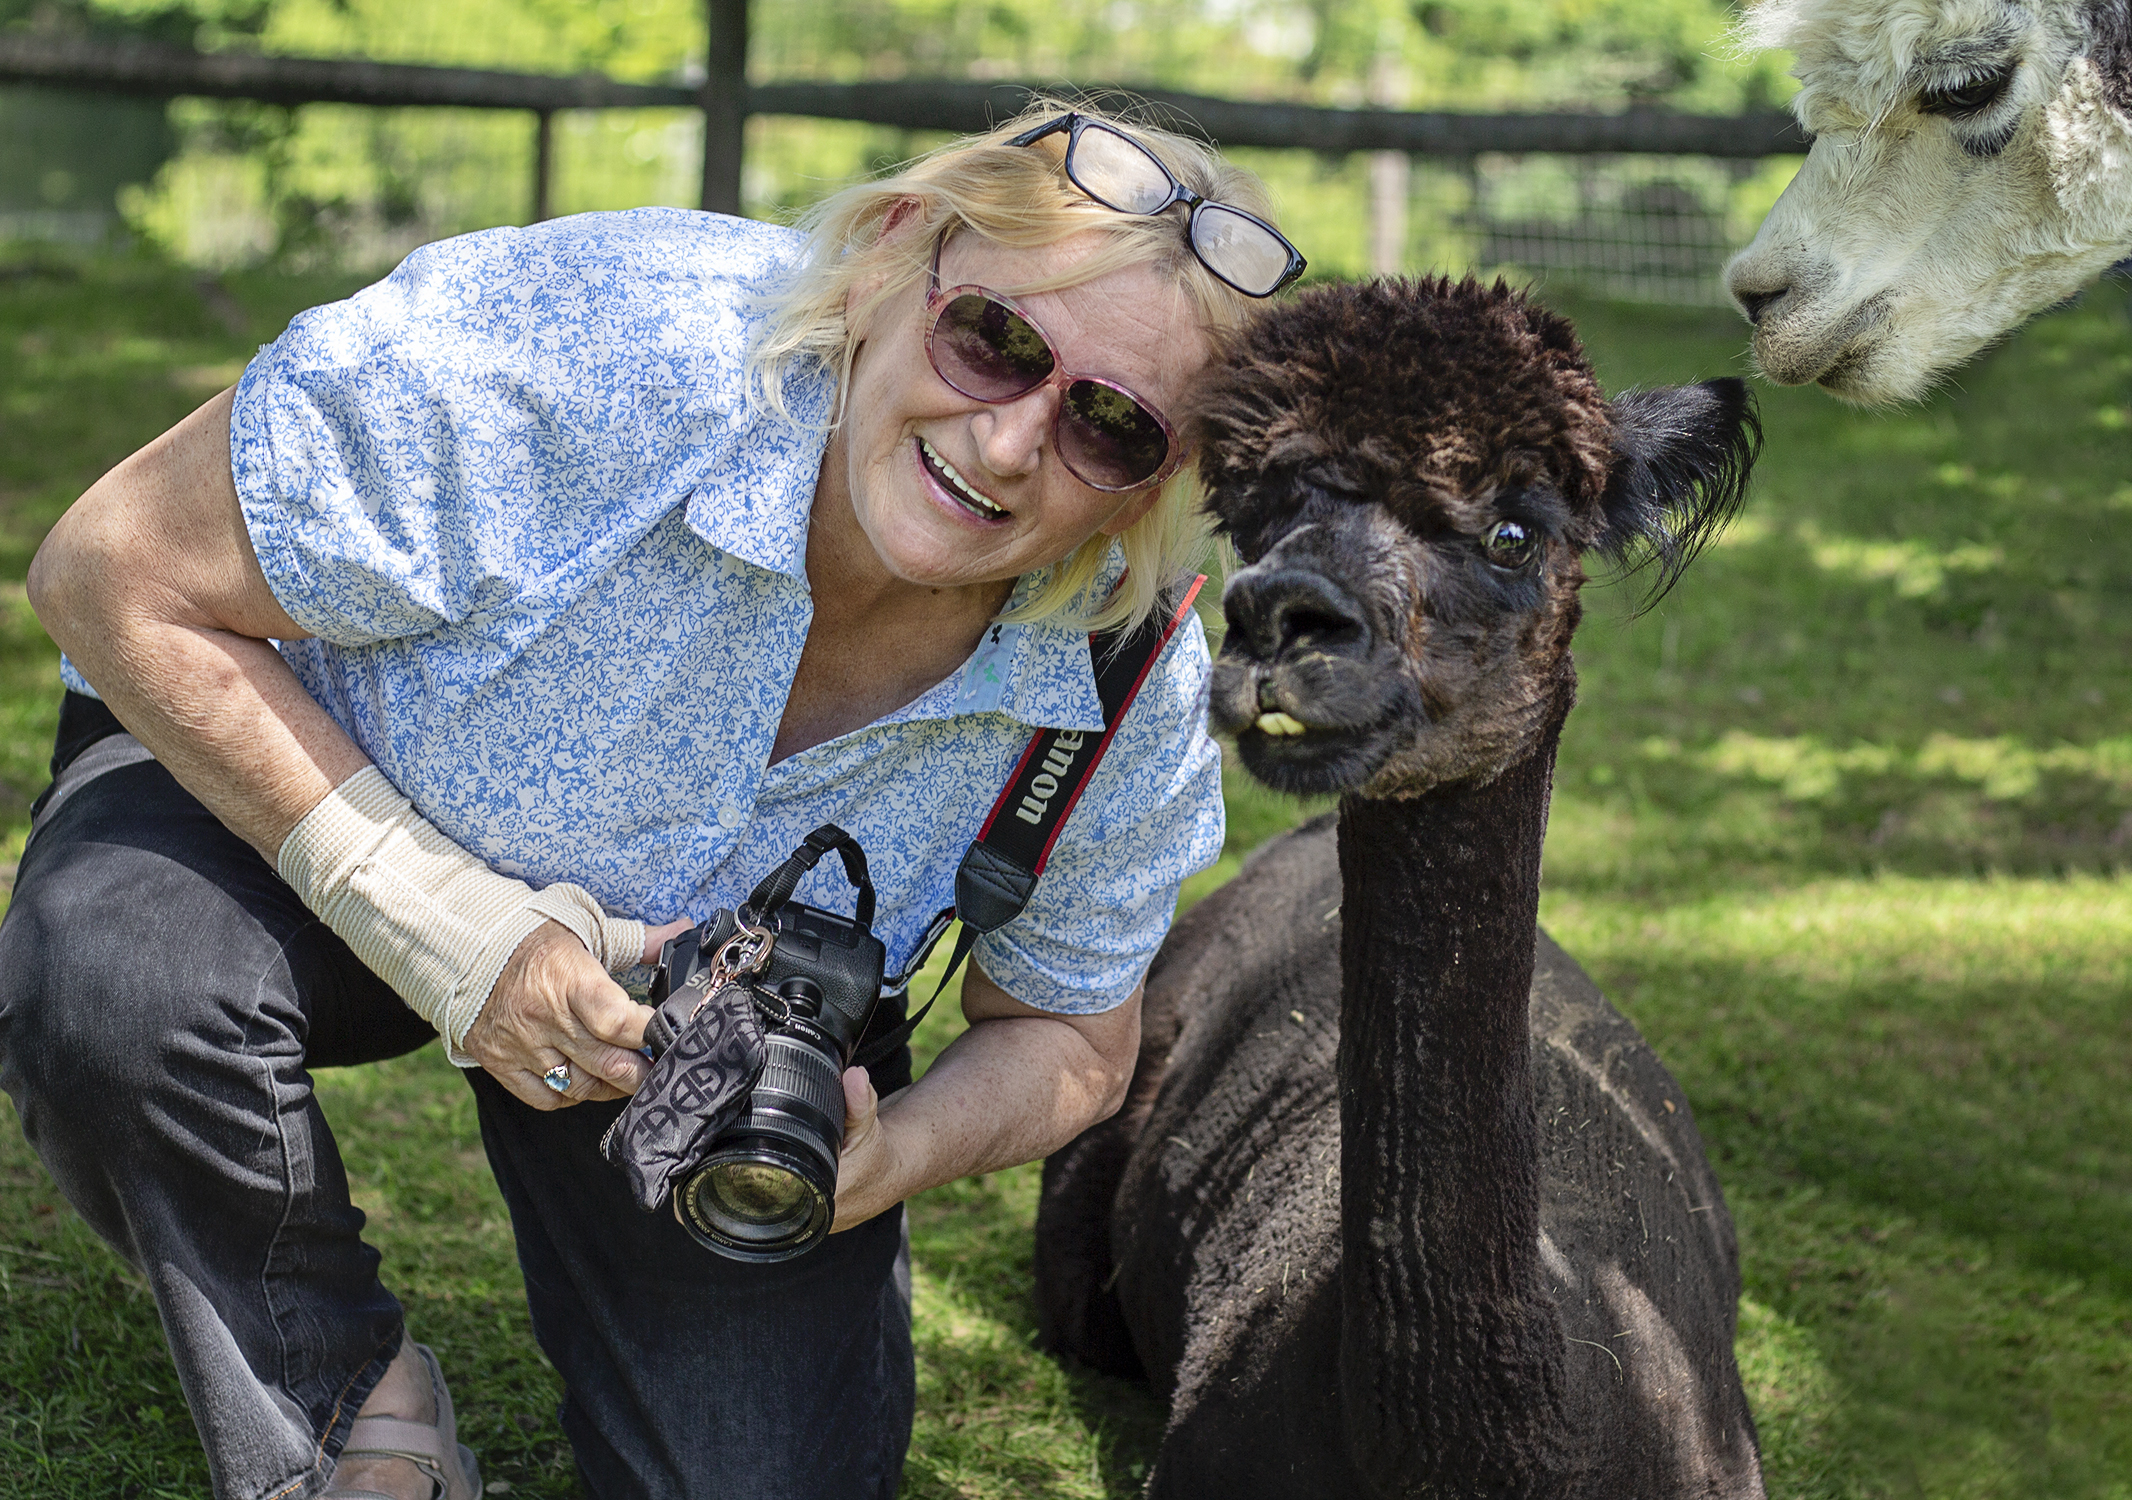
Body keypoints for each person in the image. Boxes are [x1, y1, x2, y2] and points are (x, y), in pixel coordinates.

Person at [0, 102, 1301, 1500]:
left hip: (699, 1027)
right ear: (889, 256)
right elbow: (107, 569)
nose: (1004, 445)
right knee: (119, 979)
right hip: (297, 782)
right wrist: (460, 934)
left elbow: (1074, 1036)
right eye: (992, 341)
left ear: (1156, 486)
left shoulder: (1124, 664)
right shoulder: (600, 348)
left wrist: (887, 1153)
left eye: (1108, 426)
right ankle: (342, 1409)